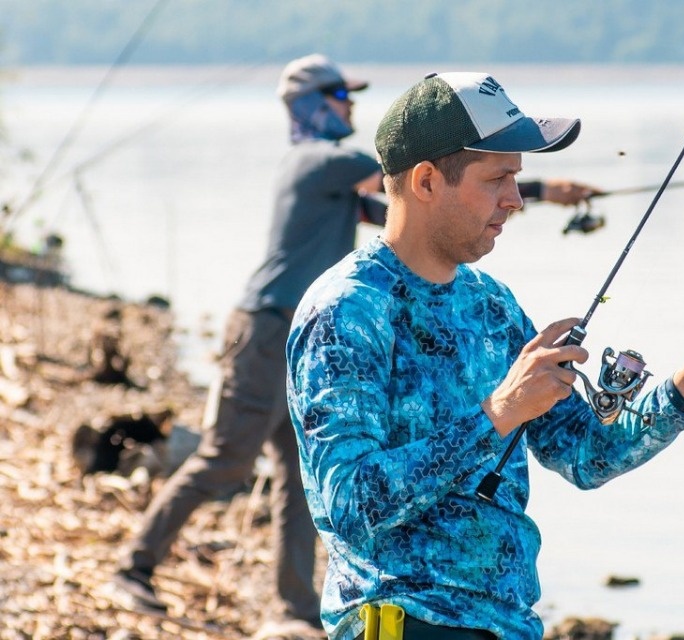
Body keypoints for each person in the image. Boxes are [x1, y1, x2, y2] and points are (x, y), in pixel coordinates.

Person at [110, 56, 599, 636]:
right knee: (227, 459)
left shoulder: (459, 277)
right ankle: (133, 566)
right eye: (340, 95)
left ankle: (294, 607)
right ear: (309, 103)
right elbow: (412, 174)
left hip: (311, 328)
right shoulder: (322, 161)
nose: (350, 106)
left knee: (298, 475)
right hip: (266, 327)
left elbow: (403, 209)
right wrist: (545, 190)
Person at [286, 71, 684, 640]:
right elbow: (351, 504)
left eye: (517, 179)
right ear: (426, 181)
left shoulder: (491, 304)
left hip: (512, 625)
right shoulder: (346, 310)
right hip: (406, 623)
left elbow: (585, 456)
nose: (516, 200)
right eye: (497, 178)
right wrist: (498, 414)